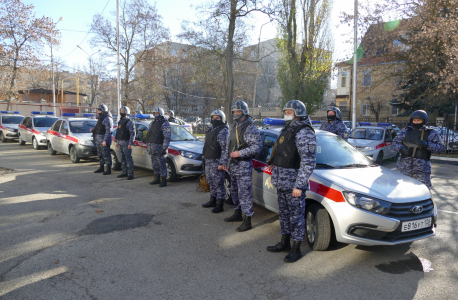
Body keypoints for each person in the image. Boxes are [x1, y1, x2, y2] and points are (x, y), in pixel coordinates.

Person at [266, 100, 317, 263]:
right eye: (286, 111)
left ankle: (296, 248)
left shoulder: (304, 132)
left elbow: (308, 162)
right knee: (284, 214)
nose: (286, 114)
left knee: (296, 217)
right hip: (282, 182)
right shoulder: (288, 128)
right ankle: (285, 242)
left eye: (289, 112)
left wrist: (299, 185)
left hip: (294, 184)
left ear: (298, 113)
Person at [221, 101, 262, 232]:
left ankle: (247, 220)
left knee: (244, 193)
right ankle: (237, 213)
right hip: (233, 165)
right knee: (234, 191)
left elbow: (257, 147)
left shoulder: (250, 127)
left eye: (238, 111)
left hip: (244, 164)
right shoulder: (234, 126)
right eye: (234, 112)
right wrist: (224, 162)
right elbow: (228, 145)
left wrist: (240, 153)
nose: (236, 114)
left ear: (244, 112)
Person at [392, 110, 444, 189]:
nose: (416, 122)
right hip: (405, 169)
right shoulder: (405, 131)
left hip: (421, 171)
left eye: (418, 120)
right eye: (414, 120)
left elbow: (441, 148)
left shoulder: (431, 133)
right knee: (403, 191)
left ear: (424, 121)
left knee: (423, 192)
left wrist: (427, 144)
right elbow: (395, 143)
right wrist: (401, 149)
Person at [201, 110, 229, 213]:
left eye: (217, 118)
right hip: (208, 160)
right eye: (213, 118)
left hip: (217, 162)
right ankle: (212, 200)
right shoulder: (209, 130)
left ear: (222, 119)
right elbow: (206, 145)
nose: (215, 120)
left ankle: (219, 204)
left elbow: (225, 149)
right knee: (211, 182)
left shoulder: (223, 131)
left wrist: (222, 163)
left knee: (219, 184)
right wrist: (203, 157)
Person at [146, 107, 171, 187]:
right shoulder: (152, 123)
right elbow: (149, 134)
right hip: (152, 148)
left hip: (160, 148)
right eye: (155, 113)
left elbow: (167, 137)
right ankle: (156, 178)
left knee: (161, 165)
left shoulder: (165, 123)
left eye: (157, 113)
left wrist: (164, 148)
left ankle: (163, 180)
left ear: (161, 114)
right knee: (154, 164)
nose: (155, 115)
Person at [91, 104, 113, 175]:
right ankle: (101, 167)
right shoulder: (101, 118)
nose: (98, 112)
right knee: (100, 154)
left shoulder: (107, 119)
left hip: (103, 140)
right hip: (98, 140)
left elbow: (108, 131)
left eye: (99, 110)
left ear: (103, 111)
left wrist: (105, 141)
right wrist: (93, 130)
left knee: (106, 154)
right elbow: (99, 128)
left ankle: (108, 169)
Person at [115, 106, 136, 180]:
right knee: (122, 159)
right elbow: (118, 132)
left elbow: (132, 134)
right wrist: (117, 141)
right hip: (120, 143)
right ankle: (124, 172)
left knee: (128, 159)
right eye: (120, 111)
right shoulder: (120, 121)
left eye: (122, 111)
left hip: (126, 143)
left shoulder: (129, 122)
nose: (121, 112)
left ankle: (131, 174)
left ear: (126, 112)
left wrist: (130, 143)